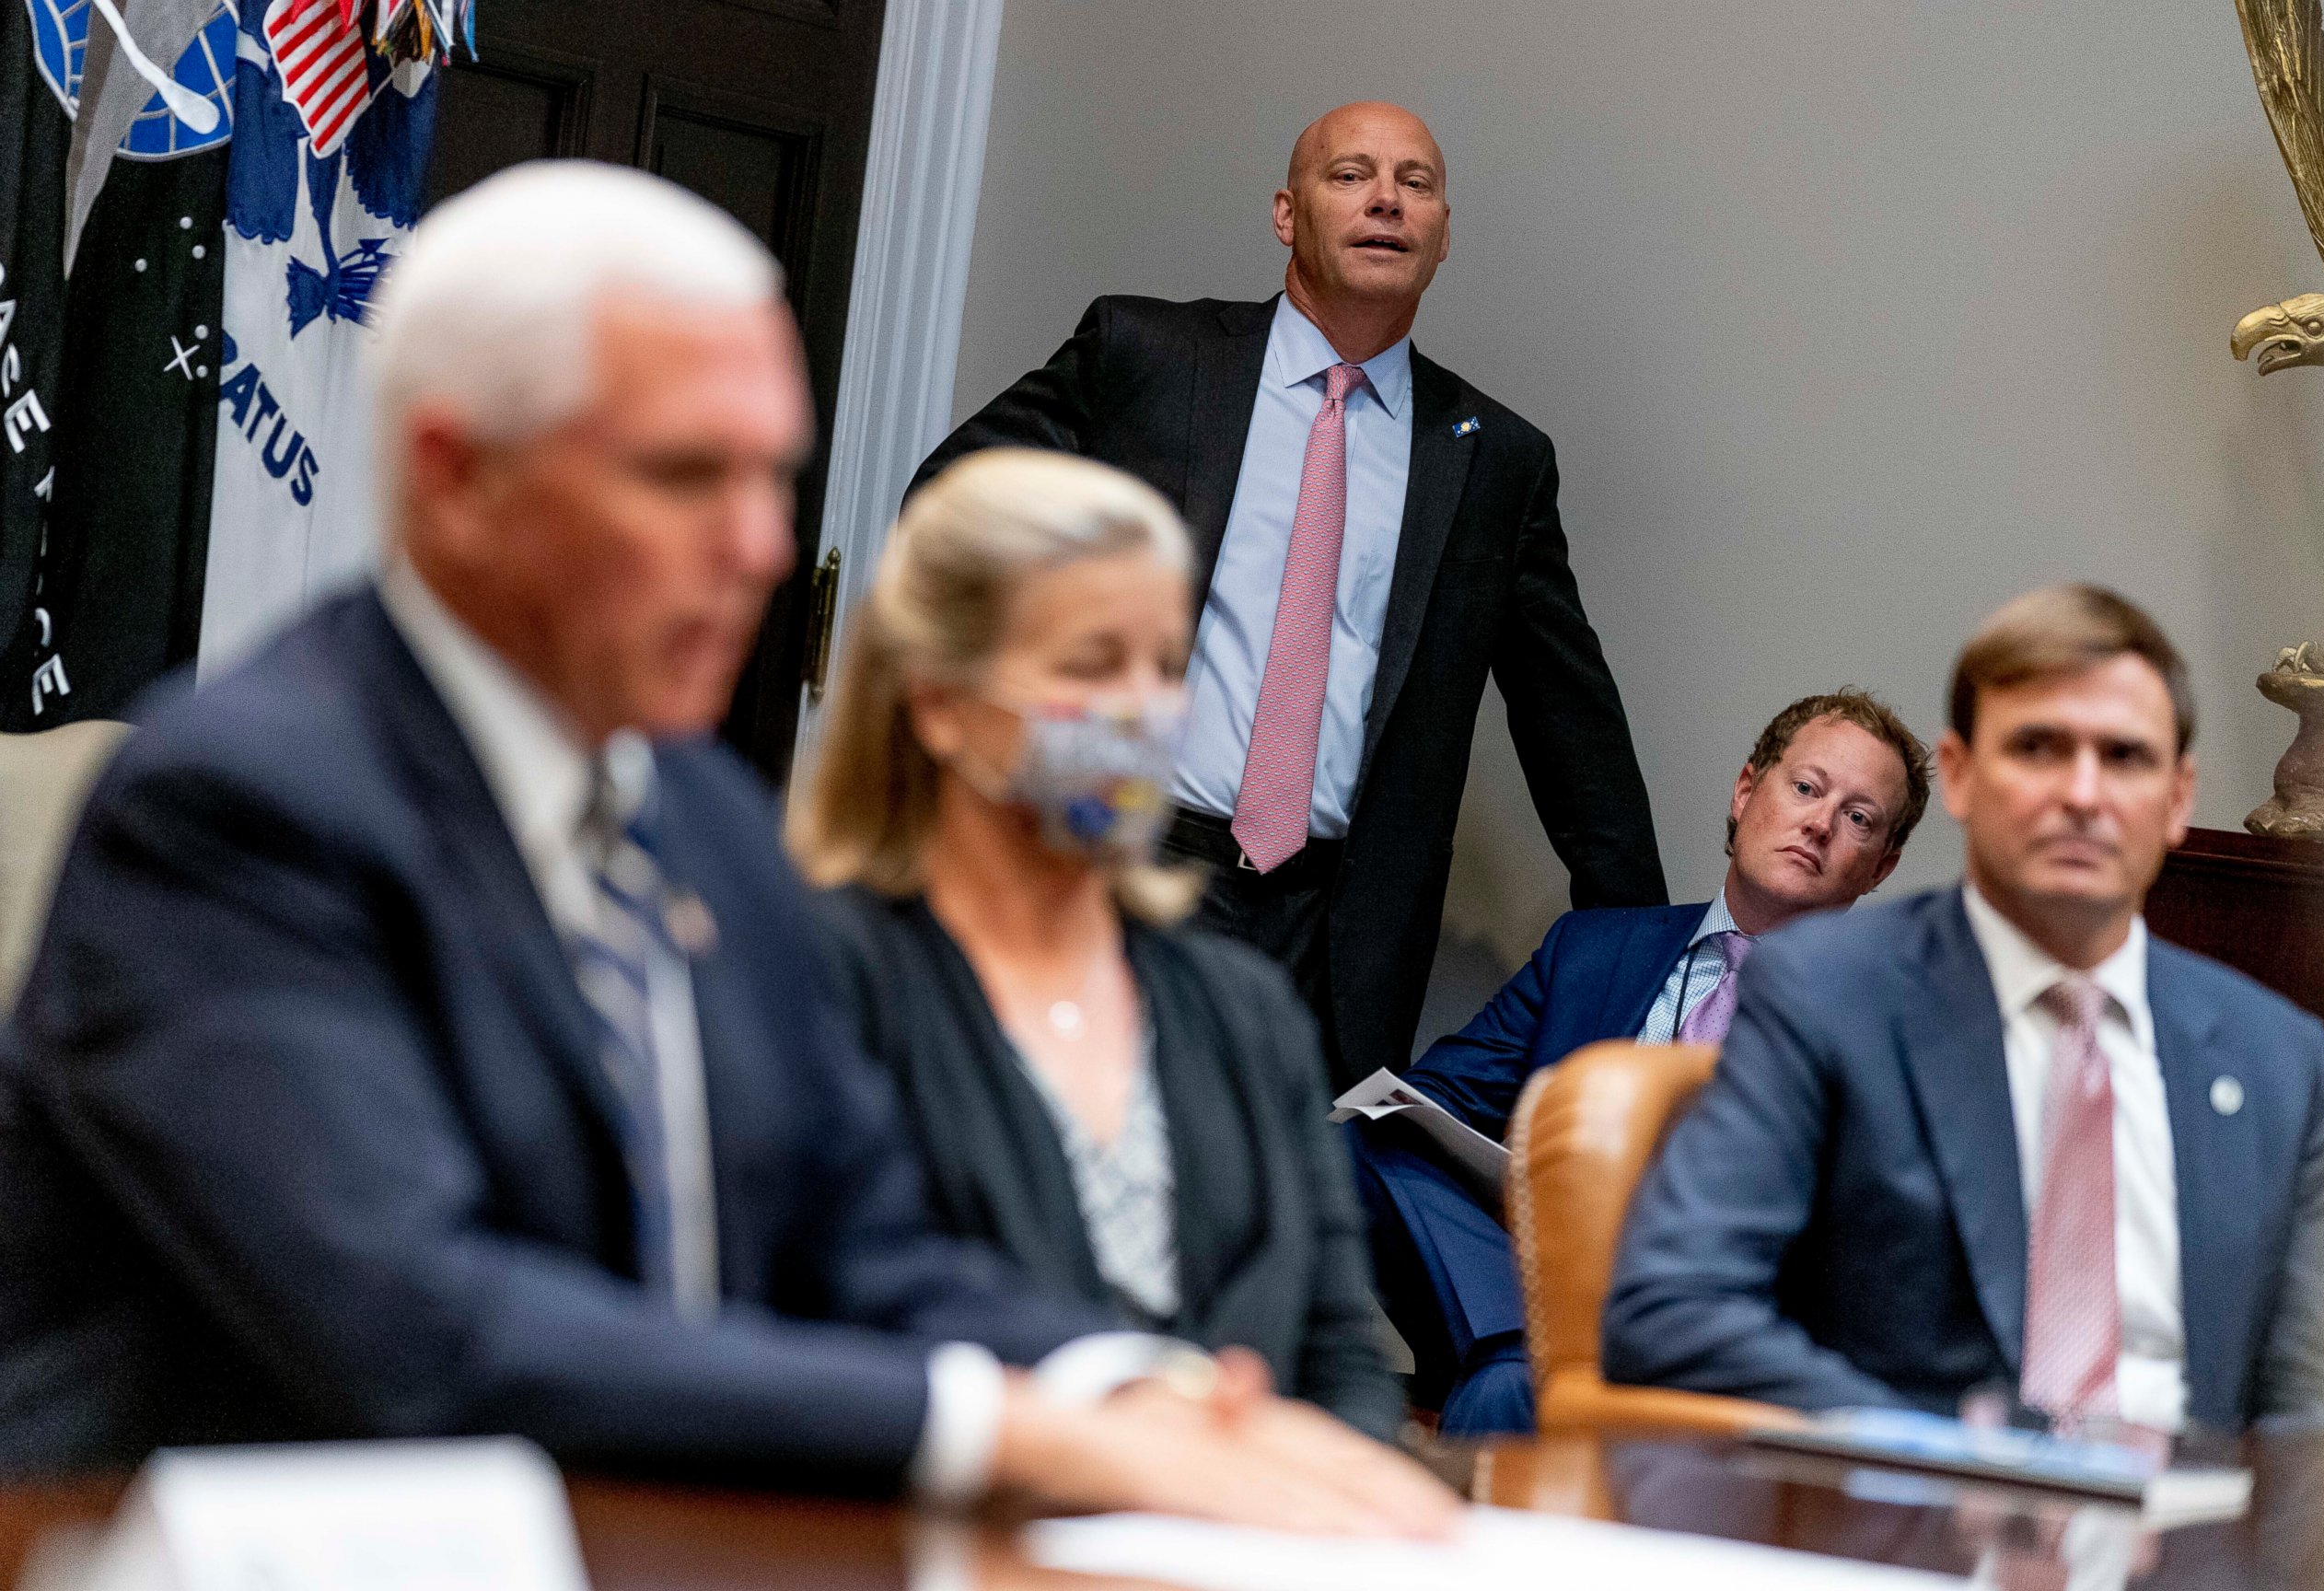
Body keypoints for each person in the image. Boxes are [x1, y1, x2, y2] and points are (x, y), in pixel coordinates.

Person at [0, 162, 1458, 1536]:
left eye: (775, 477)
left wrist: (1145, 1390)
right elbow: (414, 1330)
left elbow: (862, 1243)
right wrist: (1010, 1429)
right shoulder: (249, 808)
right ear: (457, 479)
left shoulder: (700, 815)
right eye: (691, 475)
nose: (765, 546)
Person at [910, 101, 1664, 1088]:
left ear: (1443, 238)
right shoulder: (1152, 358)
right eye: (1350, 174)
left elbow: (1573, 723)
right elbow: (953, 510)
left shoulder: (1494, 460)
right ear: (1286, 213)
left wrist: (1650, 962)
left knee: (1271, 1222)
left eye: (1416, 183)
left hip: (1339, 932)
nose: (1386, 200)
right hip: (1128, 862)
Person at [1606, 586, 2324, 1434]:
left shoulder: (2273, 1057)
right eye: (2038, 749)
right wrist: (1937, 1462)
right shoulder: (1827, 994)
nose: (2083, 793)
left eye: (2125, 757)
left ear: (2178, 798)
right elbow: (1672, 1307)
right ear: (1963, 775)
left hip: (2183, 1547)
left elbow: (2321, 1405)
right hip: (1904, 1530)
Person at [791, 449, 1402, 1440]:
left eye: (1167, 667)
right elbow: (830, 1322)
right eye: (1091, 664)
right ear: (940, 703)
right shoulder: (820, 977)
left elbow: (1342, 1356)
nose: (1146, 707)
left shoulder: (1242, 1010)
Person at [1357, 690, 1931, 1433]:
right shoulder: (1591, 951)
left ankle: (1530, 1350)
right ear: (1748, 789)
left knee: (1508, 1387)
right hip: (1536, 1280)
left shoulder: (1887, 1023)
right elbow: (1431, 1102)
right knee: (1359, 1139)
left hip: (1715, 1322)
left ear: (1880, 866)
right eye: (1806, 787)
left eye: (1857, 818)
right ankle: (1525, 1336)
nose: (1820, 823)